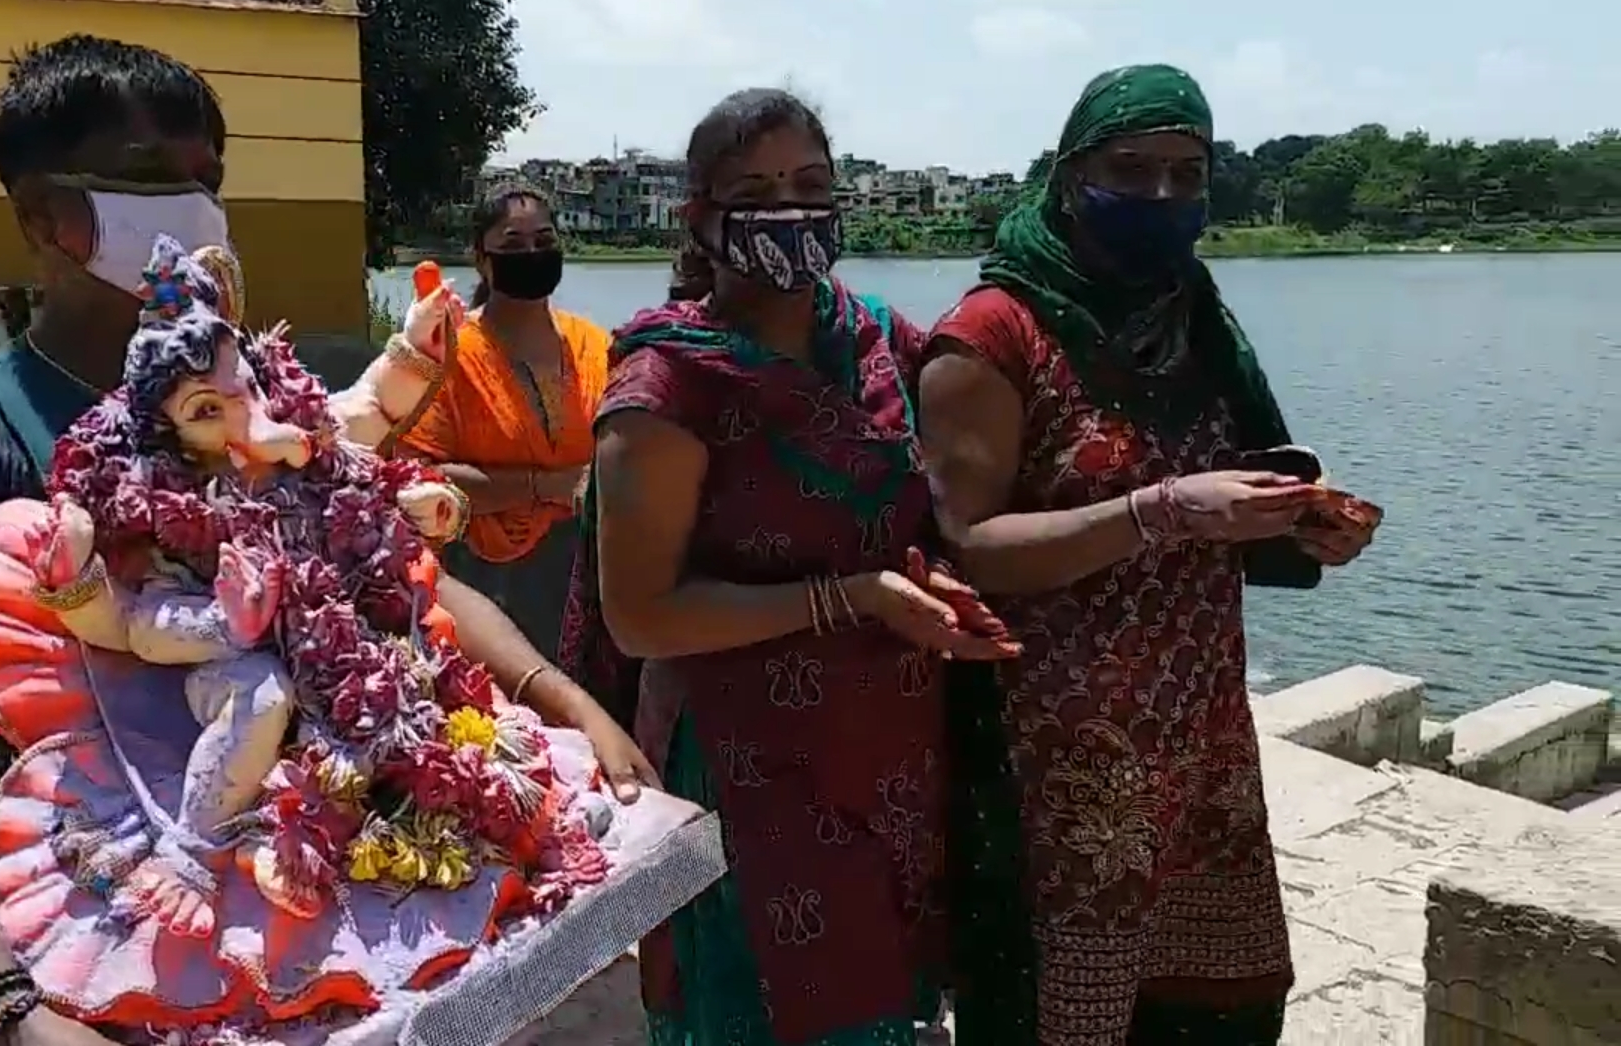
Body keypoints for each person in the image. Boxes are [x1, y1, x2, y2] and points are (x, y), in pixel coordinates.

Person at [0, 34, 653, 1046]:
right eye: (150, 180)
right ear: (41, 216)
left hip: (359, 902)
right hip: (125, 945)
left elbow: (400, 575)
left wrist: (553, 696)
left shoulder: (272, 399)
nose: (196, 209)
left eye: (208, 179)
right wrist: (1, 1008)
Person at [915, 64, 1382, 1046]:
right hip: (1053, 767)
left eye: (1187, 172)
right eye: (1132, 169)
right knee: (1058, 1017)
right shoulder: (993, 335)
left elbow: (1242, 470)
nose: (1163, 196)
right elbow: (965, 545)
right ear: (1069, 172)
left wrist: (1302, 521)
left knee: (1215, 1005)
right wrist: (1159, 511)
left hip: (1199, 751)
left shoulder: (1193, 316)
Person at [559, 86, 1023, 1046]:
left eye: (811, 184)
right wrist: (850, 598)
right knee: (765, 1009)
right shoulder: (668, 383)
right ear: (701, 216)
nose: (791, 210)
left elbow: (935, 496)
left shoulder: (876, 340)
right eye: (757, 190)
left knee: (884, 1005)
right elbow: (642, 616)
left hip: (888, 750)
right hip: (747, 762)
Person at [398, 186, 609, 658]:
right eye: (513, 244)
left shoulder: (594, 345)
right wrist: (547, 485)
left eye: (544, 239)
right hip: (486, 579)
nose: (532, 254)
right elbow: (415, 477)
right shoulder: (447, 353)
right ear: (482, 259)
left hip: (588, 574)